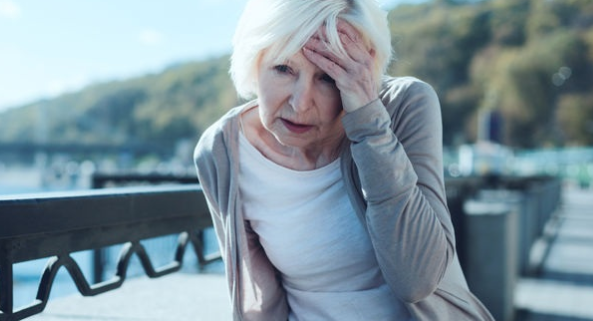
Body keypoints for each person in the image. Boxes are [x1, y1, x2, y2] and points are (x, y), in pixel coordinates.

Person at [193, 0, 495, 320]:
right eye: (283, 68)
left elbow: (417, 280)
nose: (300, 102)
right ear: (253, 61)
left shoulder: (405, 106)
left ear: (364, 70)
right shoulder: (223, 151)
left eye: (327, 76)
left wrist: (369, 124)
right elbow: (260, 302)